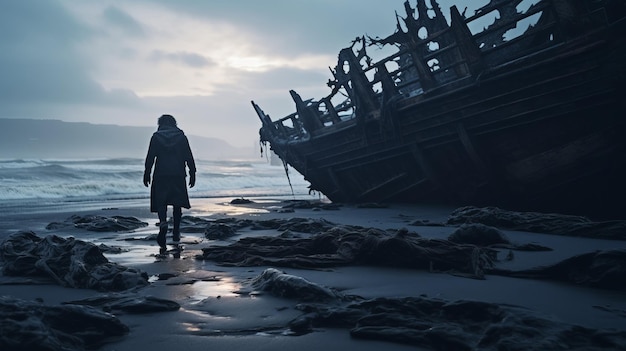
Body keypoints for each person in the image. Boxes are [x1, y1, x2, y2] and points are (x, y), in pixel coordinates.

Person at [143, 114, 196, 252]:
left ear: (160, 124)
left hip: (161, 174)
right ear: (174, 123)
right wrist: (192, 173)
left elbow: (150, 157)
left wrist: (147, 172)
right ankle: (176, 232)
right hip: (178, 174)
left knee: (161, 202)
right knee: (177, 204)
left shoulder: (156, 137)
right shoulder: (181, 137)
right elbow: (188, 156)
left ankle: (163, 223)